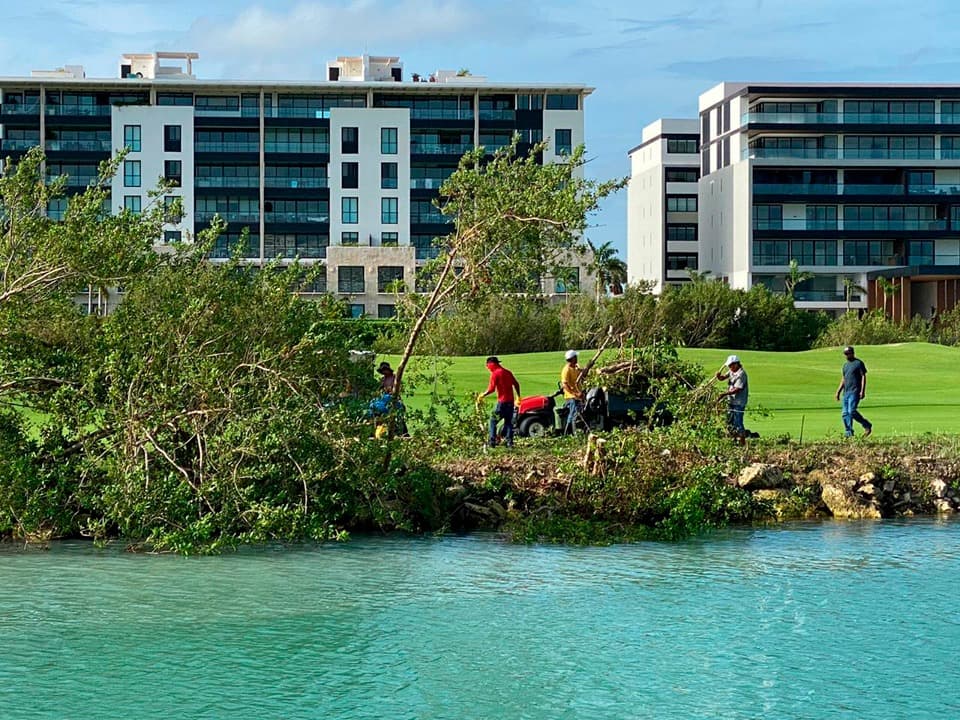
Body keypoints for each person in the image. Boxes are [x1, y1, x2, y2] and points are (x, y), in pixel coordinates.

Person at [477, 356, 521, 448]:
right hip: (510, 402)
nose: (487, 368)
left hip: (502, 403)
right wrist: (518, 396)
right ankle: (510, 443)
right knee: (509, 423)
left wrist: (482, 395)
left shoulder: (495, 374)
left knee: (493, 421)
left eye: (487, 366)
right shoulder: (508, 372)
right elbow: (516, 384)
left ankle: (492, 442)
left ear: (491, 365)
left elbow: (491, 389)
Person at [835, 345, 872, 438]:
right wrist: (838, 391)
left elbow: (863, 376)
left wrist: (862, 391)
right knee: (845, 413)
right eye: (845, 354)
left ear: (852, 353)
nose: (846, 355)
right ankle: (849, 433)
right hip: (846, 392)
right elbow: (843, 379)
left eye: (848, 353)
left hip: (855, 391)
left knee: (852, 411)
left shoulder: (858, 363)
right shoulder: (845, 365)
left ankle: (866, 425)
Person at [716, 355, 749, 441]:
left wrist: (724, 394)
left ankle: (742, 441)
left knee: (738, 422)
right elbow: (723, 378)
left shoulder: (741, 374)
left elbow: (737, 389)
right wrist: (719, 376)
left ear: (736, 364)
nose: (730, 367)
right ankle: (733, 439)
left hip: (739, 402)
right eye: (729, 366)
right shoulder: (731, 371)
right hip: (731, 400)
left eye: (731, 365)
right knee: (729, 421)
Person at [560, 349, 585, 436]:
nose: (577, 358)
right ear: (572, 358)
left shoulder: (576, 367)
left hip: (578, 396)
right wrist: (574, 394)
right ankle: (570, 433)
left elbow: (582, 375)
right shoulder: (566, 370)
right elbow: (565, 385)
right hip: (571, 397)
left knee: (578, 414)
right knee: (574, 415)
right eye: (575, 357)